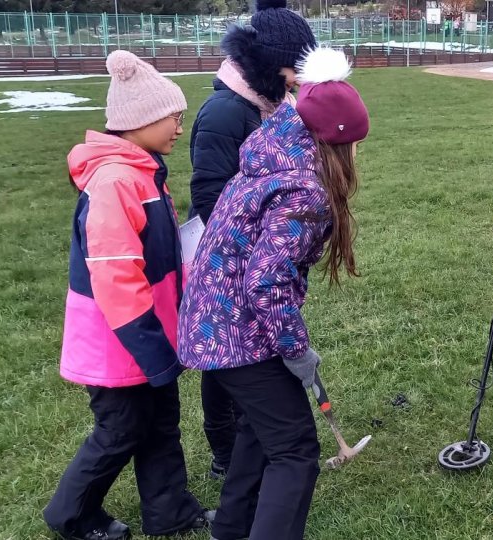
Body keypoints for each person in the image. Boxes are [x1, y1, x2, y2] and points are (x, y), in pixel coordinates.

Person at [177, 47, 370, 540]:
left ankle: (231, 529)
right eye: (355, 145)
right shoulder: (304, 191)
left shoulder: (272, 157)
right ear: (335, 143)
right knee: (295, 450)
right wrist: (296, 350)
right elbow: (266, 282)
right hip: (237, 331)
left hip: (213, 320)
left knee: (260, 433)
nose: (357, 155)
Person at [44, 50, 212, 540]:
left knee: (161, 424)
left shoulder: (143, 172)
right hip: (120, 342)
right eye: (172, 117)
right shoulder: (116, 182)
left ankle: (170, 511)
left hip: (150, 335)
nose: (179, 127)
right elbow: (116, 278)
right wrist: (151, 349)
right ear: (140, 119)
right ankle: (71, 514)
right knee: (121, 430)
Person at [186, 0, 317, 481]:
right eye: (294, 68)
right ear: (271, 64)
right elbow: (208, 190)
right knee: (224, 356)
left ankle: (250, 440)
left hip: (255, 254)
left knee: (248, 355)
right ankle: (225, 449)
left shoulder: (269, 106)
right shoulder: (226, 111)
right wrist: (250, 248)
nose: (298, 80)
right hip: (227, 259)